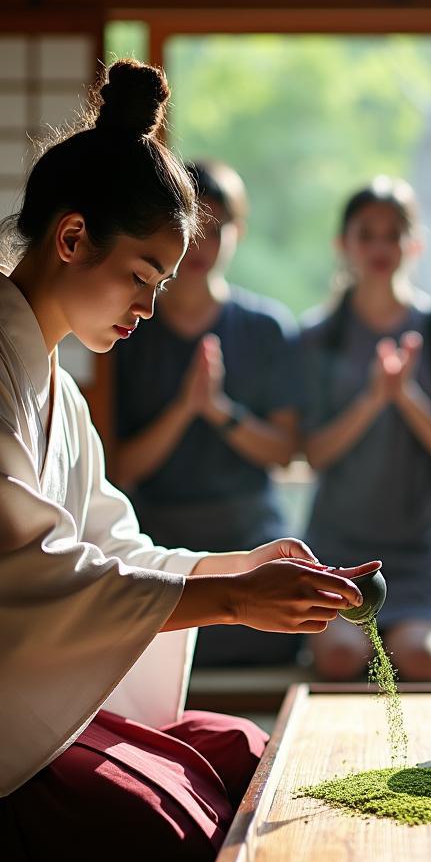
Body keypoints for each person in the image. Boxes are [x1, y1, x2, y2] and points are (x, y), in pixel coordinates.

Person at [0, 59, 373, 862]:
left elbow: (113, 550)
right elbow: (16, 580)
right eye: (143, 277)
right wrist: (230, 601)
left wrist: (249, 568)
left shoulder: (53, 388)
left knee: (242, 753)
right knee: (175, 834)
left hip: (4, 685)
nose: (149, 308)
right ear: (72, 238)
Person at [113, 160, 303, 667]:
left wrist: (218, 410)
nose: (202, 245)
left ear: (238, 233)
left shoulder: (266, 328)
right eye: (193, 228)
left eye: (217, 229)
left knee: (283, 629)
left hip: (249, 534)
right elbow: (122, 468)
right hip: (157, 540)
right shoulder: (129, 326)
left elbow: (284, 452)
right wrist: (183, 408)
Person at [298, 176, 431, 682]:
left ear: (415, 243)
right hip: (336, 549)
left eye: (393, 233)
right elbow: (314, 453)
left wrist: (405, 394)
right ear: (344, 245)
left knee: (425, 661)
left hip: (418, 550)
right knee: (339, 658)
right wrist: (373, 398)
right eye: (367, 234)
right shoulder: (318, 336)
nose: (381, 247)